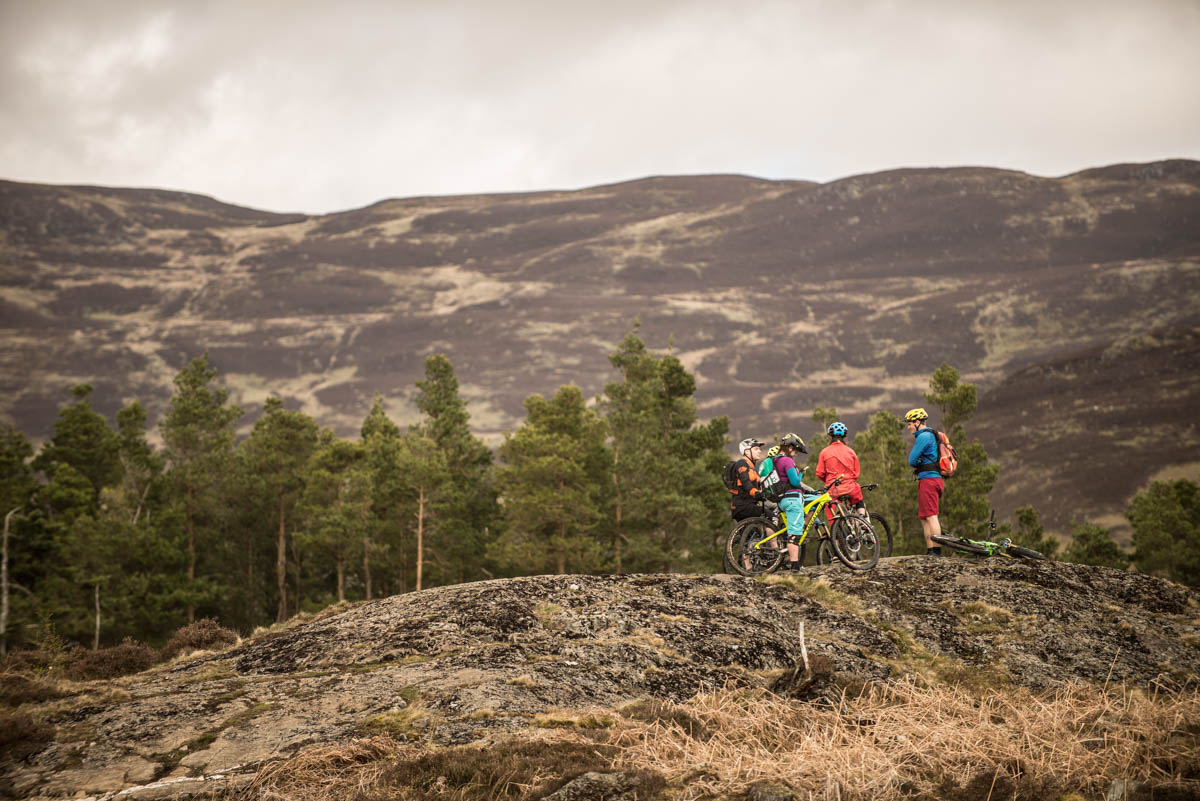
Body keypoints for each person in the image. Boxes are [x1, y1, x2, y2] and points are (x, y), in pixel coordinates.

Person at [905, 408, 943, 556]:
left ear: (918, 422)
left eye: (910, 424)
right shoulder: (930, 435)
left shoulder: (924, 437)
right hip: (931, 479)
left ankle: (936, 551)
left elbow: (912, 460)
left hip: (929, 479)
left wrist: (919, 461)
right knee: (924, 516)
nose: (908, 427)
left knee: (931, 515)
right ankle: (930, 549)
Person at [771, 432, 809, 572]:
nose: (796, 454)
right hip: (793, 499)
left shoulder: (775, 460)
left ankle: (794, 564)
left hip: (782, 500)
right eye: (796, 450)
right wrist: (800, 473)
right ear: (790, 447)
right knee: (795, 533)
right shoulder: (787, 461)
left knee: (792, 529)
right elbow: (794, 481)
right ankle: (795, 568)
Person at [816, 421, 864, 520]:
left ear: (830, 437)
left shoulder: (824, 452)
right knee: (858, 498)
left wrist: (829, 480)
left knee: (831, 510)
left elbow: (820, 473)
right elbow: (856, 473)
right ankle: (863, 520)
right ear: (844, 437)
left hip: (833, 490)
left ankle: (835, 531)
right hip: (850, 488)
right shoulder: (851, 451)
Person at [729, 437, 765, 523]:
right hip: (742, 506)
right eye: (756, 449)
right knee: (771, 516)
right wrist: (755, 493)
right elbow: (745, 482)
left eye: (759, 449)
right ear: (747, 451)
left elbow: (761, 486)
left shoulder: (752, 468)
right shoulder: (741, 463)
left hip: (748, 505)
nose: (759, 451)